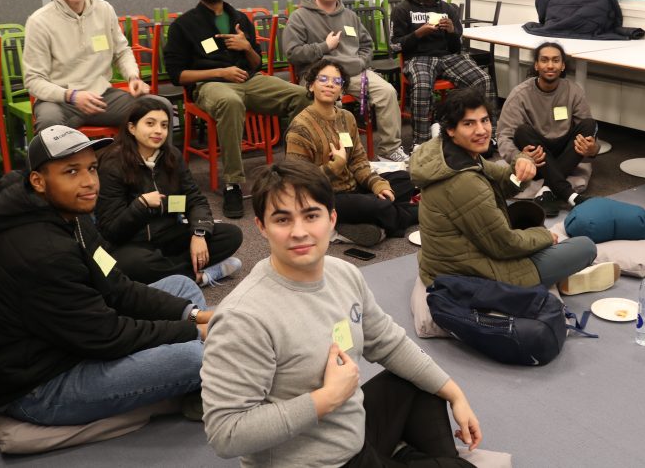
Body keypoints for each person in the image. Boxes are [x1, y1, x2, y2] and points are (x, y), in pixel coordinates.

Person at [201, 158, 481, 467]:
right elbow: (226, 433)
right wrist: (327, 398)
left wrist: (455, 393)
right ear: (261, 227)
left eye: (311, 216)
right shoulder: (243, 318)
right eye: (282, 219)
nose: (299, 232)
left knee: (423, 385)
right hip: (316, 462)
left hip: (349, 431)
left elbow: (389, 343)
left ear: (332, 219)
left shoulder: (343, 273)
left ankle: (405, 454)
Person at [0, 125, 212, 426]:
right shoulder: (43, 252)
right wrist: (194, 331)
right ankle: (203, 373)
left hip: (73, 342)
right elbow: (109, 335)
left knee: (181, 286)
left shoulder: (74, 216)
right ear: (38, 181)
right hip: (39, 384)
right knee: (191, 358)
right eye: (71, 171)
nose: (89, 181)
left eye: (92, 168)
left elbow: (117, 287)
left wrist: (194, 315)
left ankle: (200, 372)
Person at [411, 88, 613, 295]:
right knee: (585, 246)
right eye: (469, 124)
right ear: (451, 130)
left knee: (527, 215)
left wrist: (521, 164)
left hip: (456, 257)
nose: (481, 130)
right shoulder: (463, 181)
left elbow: (502, 182)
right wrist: (544, 236)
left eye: (484, 120)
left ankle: (559, 274)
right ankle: (558, 279)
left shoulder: (451, 153)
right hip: (467, 273)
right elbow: (503, 245)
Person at [163, 0, 310, 218]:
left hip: (249, 80)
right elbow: (177, 75)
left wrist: (246, 47)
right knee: (230, 102)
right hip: (211, 84)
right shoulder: (183, 25)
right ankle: (233, 183)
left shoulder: (240, 19)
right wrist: (220, 72)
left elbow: (256, 63)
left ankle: (295, 169)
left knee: (302, 95)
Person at [96, 96, 244, 286]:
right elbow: (110, 230)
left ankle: (169, 274)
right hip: (132, 243)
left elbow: (195, 199)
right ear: (132, 127)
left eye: (164, 125)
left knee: (231, 235)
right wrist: (140, 206)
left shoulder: (172, 155)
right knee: (130, 264)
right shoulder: (113, 164)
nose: (159, 130)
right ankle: (198, 277)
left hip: (168, 235)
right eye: (150, 123)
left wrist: (199, 234)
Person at [282, 0, 409, 163]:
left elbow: (367, 45)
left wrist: (361, 62)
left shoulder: (350, 16)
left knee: (387, 92)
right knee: (332, 103)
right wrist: (325, 46)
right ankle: (335, 157)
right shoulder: (300, 17)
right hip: (319, 75)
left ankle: (389, 150)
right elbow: (293, 53)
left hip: (354, 72)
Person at [285, 59, 419, 246]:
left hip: (353, 187)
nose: (330, 84)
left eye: (336, 81)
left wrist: (377, 185)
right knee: (378, 205)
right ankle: (416, 213)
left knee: (404, 179)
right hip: (323, 198)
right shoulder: (300, 128)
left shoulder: (346, 118)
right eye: (323, 79)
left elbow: (358, 161)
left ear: (342, 90)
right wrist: (336, 166)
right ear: (311, 85)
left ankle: (356, 222)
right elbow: (298, 183)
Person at [24, 0, 163, 131]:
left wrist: (133, 76)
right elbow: (34, 80)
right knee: (50, 125)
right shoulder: (39, 22)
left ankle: (139, 152)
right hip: (59, 101)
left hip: (102, 97)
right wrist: (71, 96)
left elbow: (121, 52)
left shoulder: (104, 10)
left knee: (158, 109)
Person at [390, 0, 492, 148]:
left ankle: (472, 133)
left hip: (448, 57)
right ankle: (421, 144)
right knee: (422, 85)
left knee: (481, 79)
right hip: (418, 58)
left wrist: (452, 31)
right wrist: (418, 33)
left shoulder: (448, 9)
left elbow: (455, 47)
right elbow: (395, 46)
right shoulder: (402, 10)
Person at [495, 42, 597, 217]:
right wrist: (519, 157)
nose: (550, 65)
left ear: (563, 65)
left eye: (556, 60)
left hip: (562, 152)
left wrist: (593, 149)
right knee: (522, 131)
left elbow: (590, 140)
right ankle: (570, 195)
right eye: (544, 60)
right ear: (536, 65)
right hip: (536, 155)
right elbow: (503, 136)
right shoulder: (520, 94)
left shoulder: (574, 91)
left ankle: (547, 189)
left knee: (589, 124)